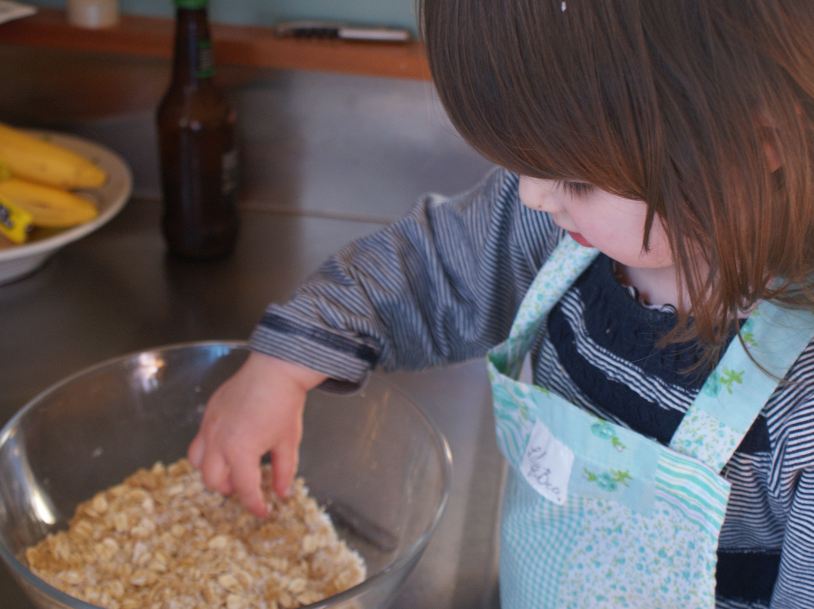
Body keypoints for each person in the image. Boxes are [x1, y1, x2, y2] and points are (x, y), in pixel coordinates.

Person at [188, 1, 814, 607]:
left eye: (577, 178)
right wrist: (283, 367)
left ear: (759, 140)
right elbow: (426, 273)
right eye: (523, 163)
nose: (535, 195)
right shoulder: (559, 228)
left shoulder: (802, 400)